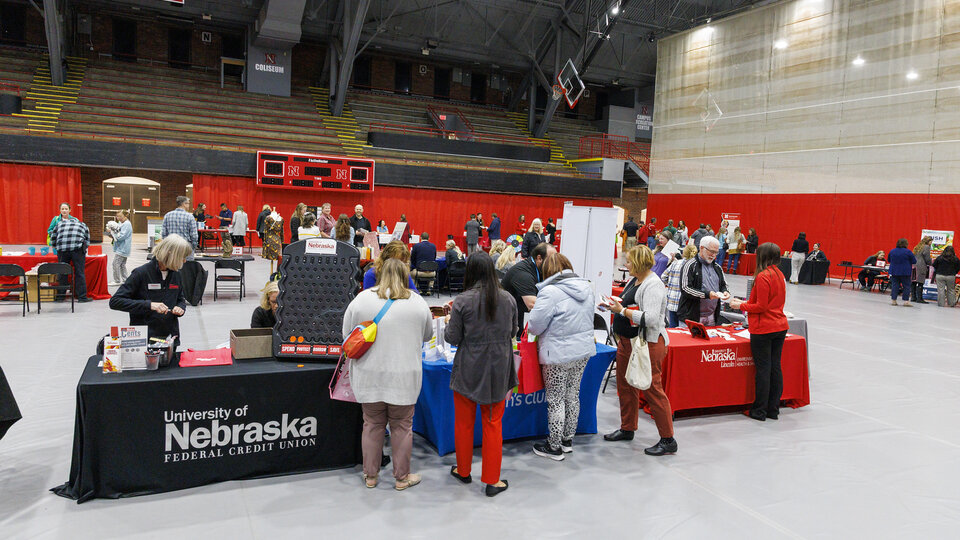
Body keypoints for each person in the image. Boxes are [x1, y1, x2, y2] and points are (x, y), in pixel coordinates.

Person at [342, 258, 432, 490]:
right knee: (402, 426)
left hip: (368, 376)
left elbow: (346, 334)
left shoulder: (361, 300)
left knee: (371, 425)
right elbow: (427, 335)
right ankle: (402, 478)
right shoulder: (418, 303)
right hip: (404, 376)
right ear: (405, 276)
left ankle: (370, 476)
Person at [444, 252, 516, 497]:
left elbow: (452, 338)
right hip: (498, 368)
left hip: (468, 368)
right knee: (493, 423)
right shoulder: (508, 299)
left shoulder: (463, 301)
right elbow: (513, 330)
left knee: (464, 424)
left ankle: (463, 471)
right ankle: (492, 480)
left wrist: (448, 320)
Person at [603, 245, 675, 456]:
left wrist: (622, 311)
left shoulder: (653, 285)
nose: (626, 265)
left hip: (647, 344)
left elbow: (652, 319)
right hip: (628, 342)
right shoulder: (635, 280)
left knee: (652, 388)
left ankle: (668, 438)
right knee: (625, 386)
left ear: (640, 263)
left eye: (629, 261)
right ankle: (627, 428)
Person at [526, 253, 595, 461]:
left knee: (556, 400)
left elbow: (535, 326)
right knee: (573, 395)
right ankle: (567, 440)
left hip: (558, 353)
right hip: (582, 351)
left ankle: (554, 446)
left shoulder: (549, 292)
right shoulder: (587, 288)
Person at [729, 242, 789, 421]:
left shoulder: (763, 276)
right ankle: (772, 409)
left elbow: (761, 306)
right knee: (775, 368)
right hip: (779, 326)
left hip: (764, 328)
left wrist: (740, 305)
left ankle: (759, 410)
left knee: (763, 369)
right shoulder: (779, 274)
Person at [109, 235, 190, 346]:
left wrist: (180, 308)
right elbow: (115, 301)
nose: (184, 261)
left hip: (169, 338)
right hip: (144, 339)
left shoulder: (177, 275)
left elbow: (180, 299)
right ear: (171, 254)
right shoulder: (141, 273)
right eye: (182, 257)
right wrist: (149, 305)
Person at [501, 242, 556, 338]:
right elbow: (532, 304)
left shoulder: (539, 270)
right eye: (551, 259)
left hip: (520, 321)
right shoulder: (522, 273)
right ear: (539, 258)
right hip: (510, 327)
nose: (555, 263)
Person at [678, 236, 729, 326]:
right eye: (712, 251)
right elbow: (685, 289)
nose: (713, 255)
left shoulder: (717, 267)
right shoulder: (690, 265)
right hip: (691, 317)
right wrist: (707, 295)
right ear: (701, 248)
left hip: (711, 317)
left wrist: (725, 291)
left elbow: (723, 284)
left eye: (716, 252)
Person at [50, 209, 92, 303]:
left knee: (62, 272)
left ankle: (60, 297)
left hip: (62, 249)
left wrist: (55, 246)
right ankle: (82, 297)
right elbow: (87, 240)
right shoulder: (82, 224)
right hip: (77, 249)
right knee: (79, 273)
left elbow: (53, 237)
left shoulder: (60, 224)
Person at [661, 244, 697, 328]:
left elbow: (663, 277)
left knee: (672, 328)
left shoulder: (675, 263)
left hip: (672, 300)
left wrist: (670, 284)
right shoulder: (695, 266)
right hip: (685, 305)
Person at [887, 238, 917, 306]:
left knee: (895, 286)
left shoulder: (892, 251)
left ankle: (894, 300)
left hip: (894, 271)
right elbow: (914, 261)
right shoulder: (908, 252)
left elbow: (889, 260)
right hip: (905, 271)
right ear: (906, 244)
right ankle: (906, 301)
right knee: (906, 286)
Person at [110, 209, 133, 285]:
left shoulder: (127, 224)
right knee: (122, 264)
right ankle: (125, 280)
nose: (118, 218)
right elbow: (118, 232)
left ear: (125, 215)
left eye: (120, 216)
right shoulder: (121, 223)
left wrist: (112, 233)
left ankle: (117, 281)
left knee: (115, 264)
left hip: (123, 248)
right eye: (117, 216)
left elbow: (121, 236)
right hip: (122, 247)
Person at [912, 236, 933, 304]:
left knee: (914, 282)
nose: (931, 243)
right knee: (920, 282)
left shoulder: (917, 247)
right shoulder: (926, 247)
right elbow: (927, 258)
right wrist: (931, 263)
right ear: (928, 241)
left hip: (914, 265)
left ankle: (913, 297)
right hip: (921, 266)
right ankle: (920, 298)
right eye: (931, 241)